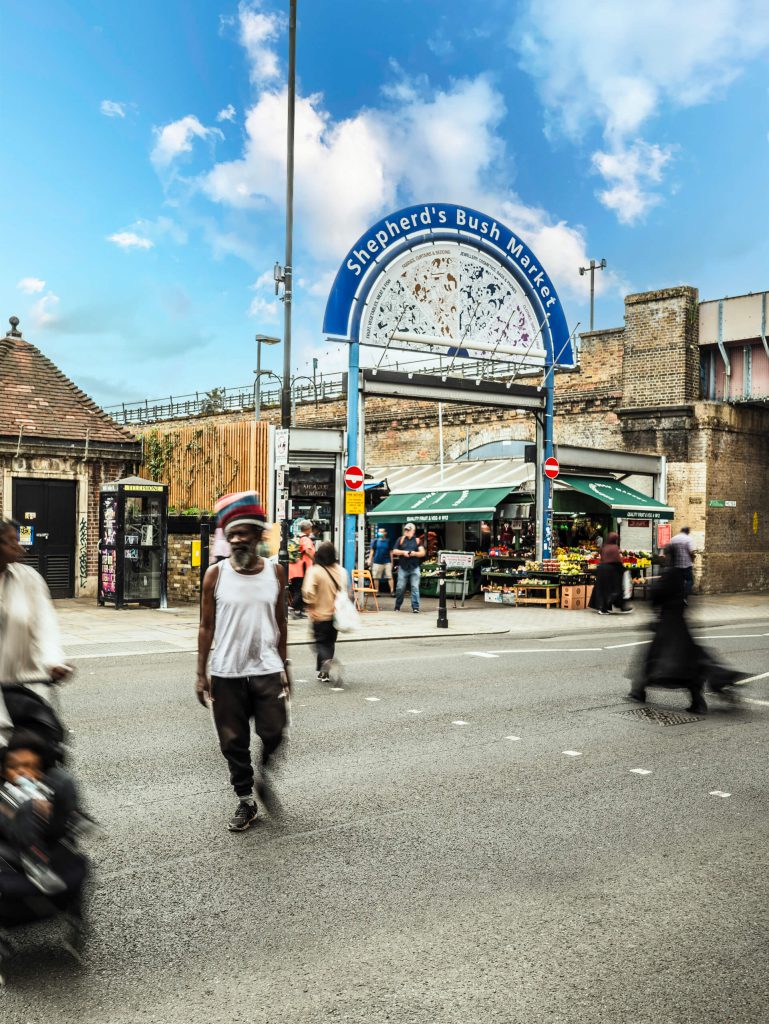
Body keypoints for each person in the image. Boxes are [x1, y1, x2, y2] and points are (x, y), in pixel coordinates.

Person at [197, 493, 290, 833]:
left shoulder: (276, 573)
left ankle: (265, 774)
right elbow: (206, 626)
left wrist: (285, 668)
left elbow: (281, 624)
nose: (236, 539)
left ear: (257, 535)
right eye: (231, 534)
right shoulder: (215, 576)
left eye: (243, 533)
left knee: (274, 731)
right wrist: (200, 674)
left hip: (266, 668)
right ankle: (246, 799)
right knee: (233, 742)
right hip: (226, 672)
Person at [627, 567, 743, 714]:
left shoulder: (668, 575)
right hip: (680, 628)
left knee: (656, 661)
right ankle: (697, 701)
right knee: (687, 664)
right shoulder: (680, 581)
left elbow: (656, 597)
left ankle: (639, 692)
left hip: (666, 629)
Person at [0, 518, 72, 743]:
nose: (19, 548)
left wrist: (54, 660)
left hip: (26, 692)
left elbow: (45, 623)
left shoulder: (29, 579)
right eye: (9, 542)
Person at [0, 729, 80, 896]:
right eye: (14, 768)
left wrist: (50, 803)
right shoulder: (5, 791)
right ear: (4, 773)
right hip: (18, 831)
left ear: (38, 771)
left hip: (47, 825)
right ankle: (35, 863)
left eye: (29, 767)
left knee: (63, 781)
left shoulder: (40, 782)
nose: (21, 772)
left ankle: (77, 818)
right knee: (28, 808)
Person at [302, 542, 347, 684]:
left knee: (319, 643)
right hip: (335, 615)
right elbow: (344, 591)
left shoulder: (315, 571)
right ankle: (324, 672)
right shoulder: (341, 571)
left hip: (319, 614)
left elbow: (308, 592)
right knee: (329, 643)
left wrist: (310, 607)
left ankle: (327, 661)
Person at [588, 531, 631, 614]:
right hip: (610, 571)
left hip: (601, 569)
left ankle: (602, 608)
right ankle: (619, 606)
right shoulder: (614, 548)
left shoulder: (604, 546)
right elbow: (617, 561)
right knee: (614, 589)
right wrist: (623, 569)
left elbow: (602, 557)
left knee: (602, 590)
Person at [392, 522, 425, 614]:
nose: (406, 531)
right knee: (400, 588)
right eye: (406, 530)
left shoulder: (418, 541)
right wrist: (403, 553)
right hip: (403, 568)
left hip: (414, 567)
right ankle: (397, 606)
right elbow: (394, 551)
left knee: (415, 587)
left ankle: (415, 607)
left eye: (408, 530)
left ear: (413, 531)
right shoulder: (401, 539)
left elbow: (422, 553)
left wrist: (414, 553)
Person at [287, 520, 315, 619]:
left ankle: (298, 611)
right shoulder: (306, 539)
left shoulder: (297, 537)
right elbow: (307, 551)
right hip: (301, 569)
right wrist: (315, 560)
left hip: (294, 568)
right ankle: (292, 608)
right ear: (308, 529)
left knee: (297, 589)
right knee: (301, 590)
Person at [667, 525, 696, 595]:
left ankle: (677, 595)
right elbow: (691, 552)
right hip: (686, 565)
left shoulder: (673, 539)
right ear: (687, 532)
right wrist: (693, 558)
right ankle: (684, 595)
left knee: (678, 582)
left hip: (676, 566)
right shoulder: (688, 539)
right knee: (690, 581)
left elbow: (669, 551)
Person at [367, 528, 393, 593]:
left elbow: (391, 552)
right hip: (377, 561)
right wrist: (370, 559)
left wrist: (392, 562)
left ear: (385, 533)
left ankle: (392, 591)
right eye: (379, 532)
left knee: (389, 576)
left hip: (387, 562)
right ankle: (377, 591)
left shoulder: (388, 541)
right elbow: (372, 551)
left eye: (382, 532)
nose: (380, 533)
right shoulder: (375, 541)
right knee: (376, 577)